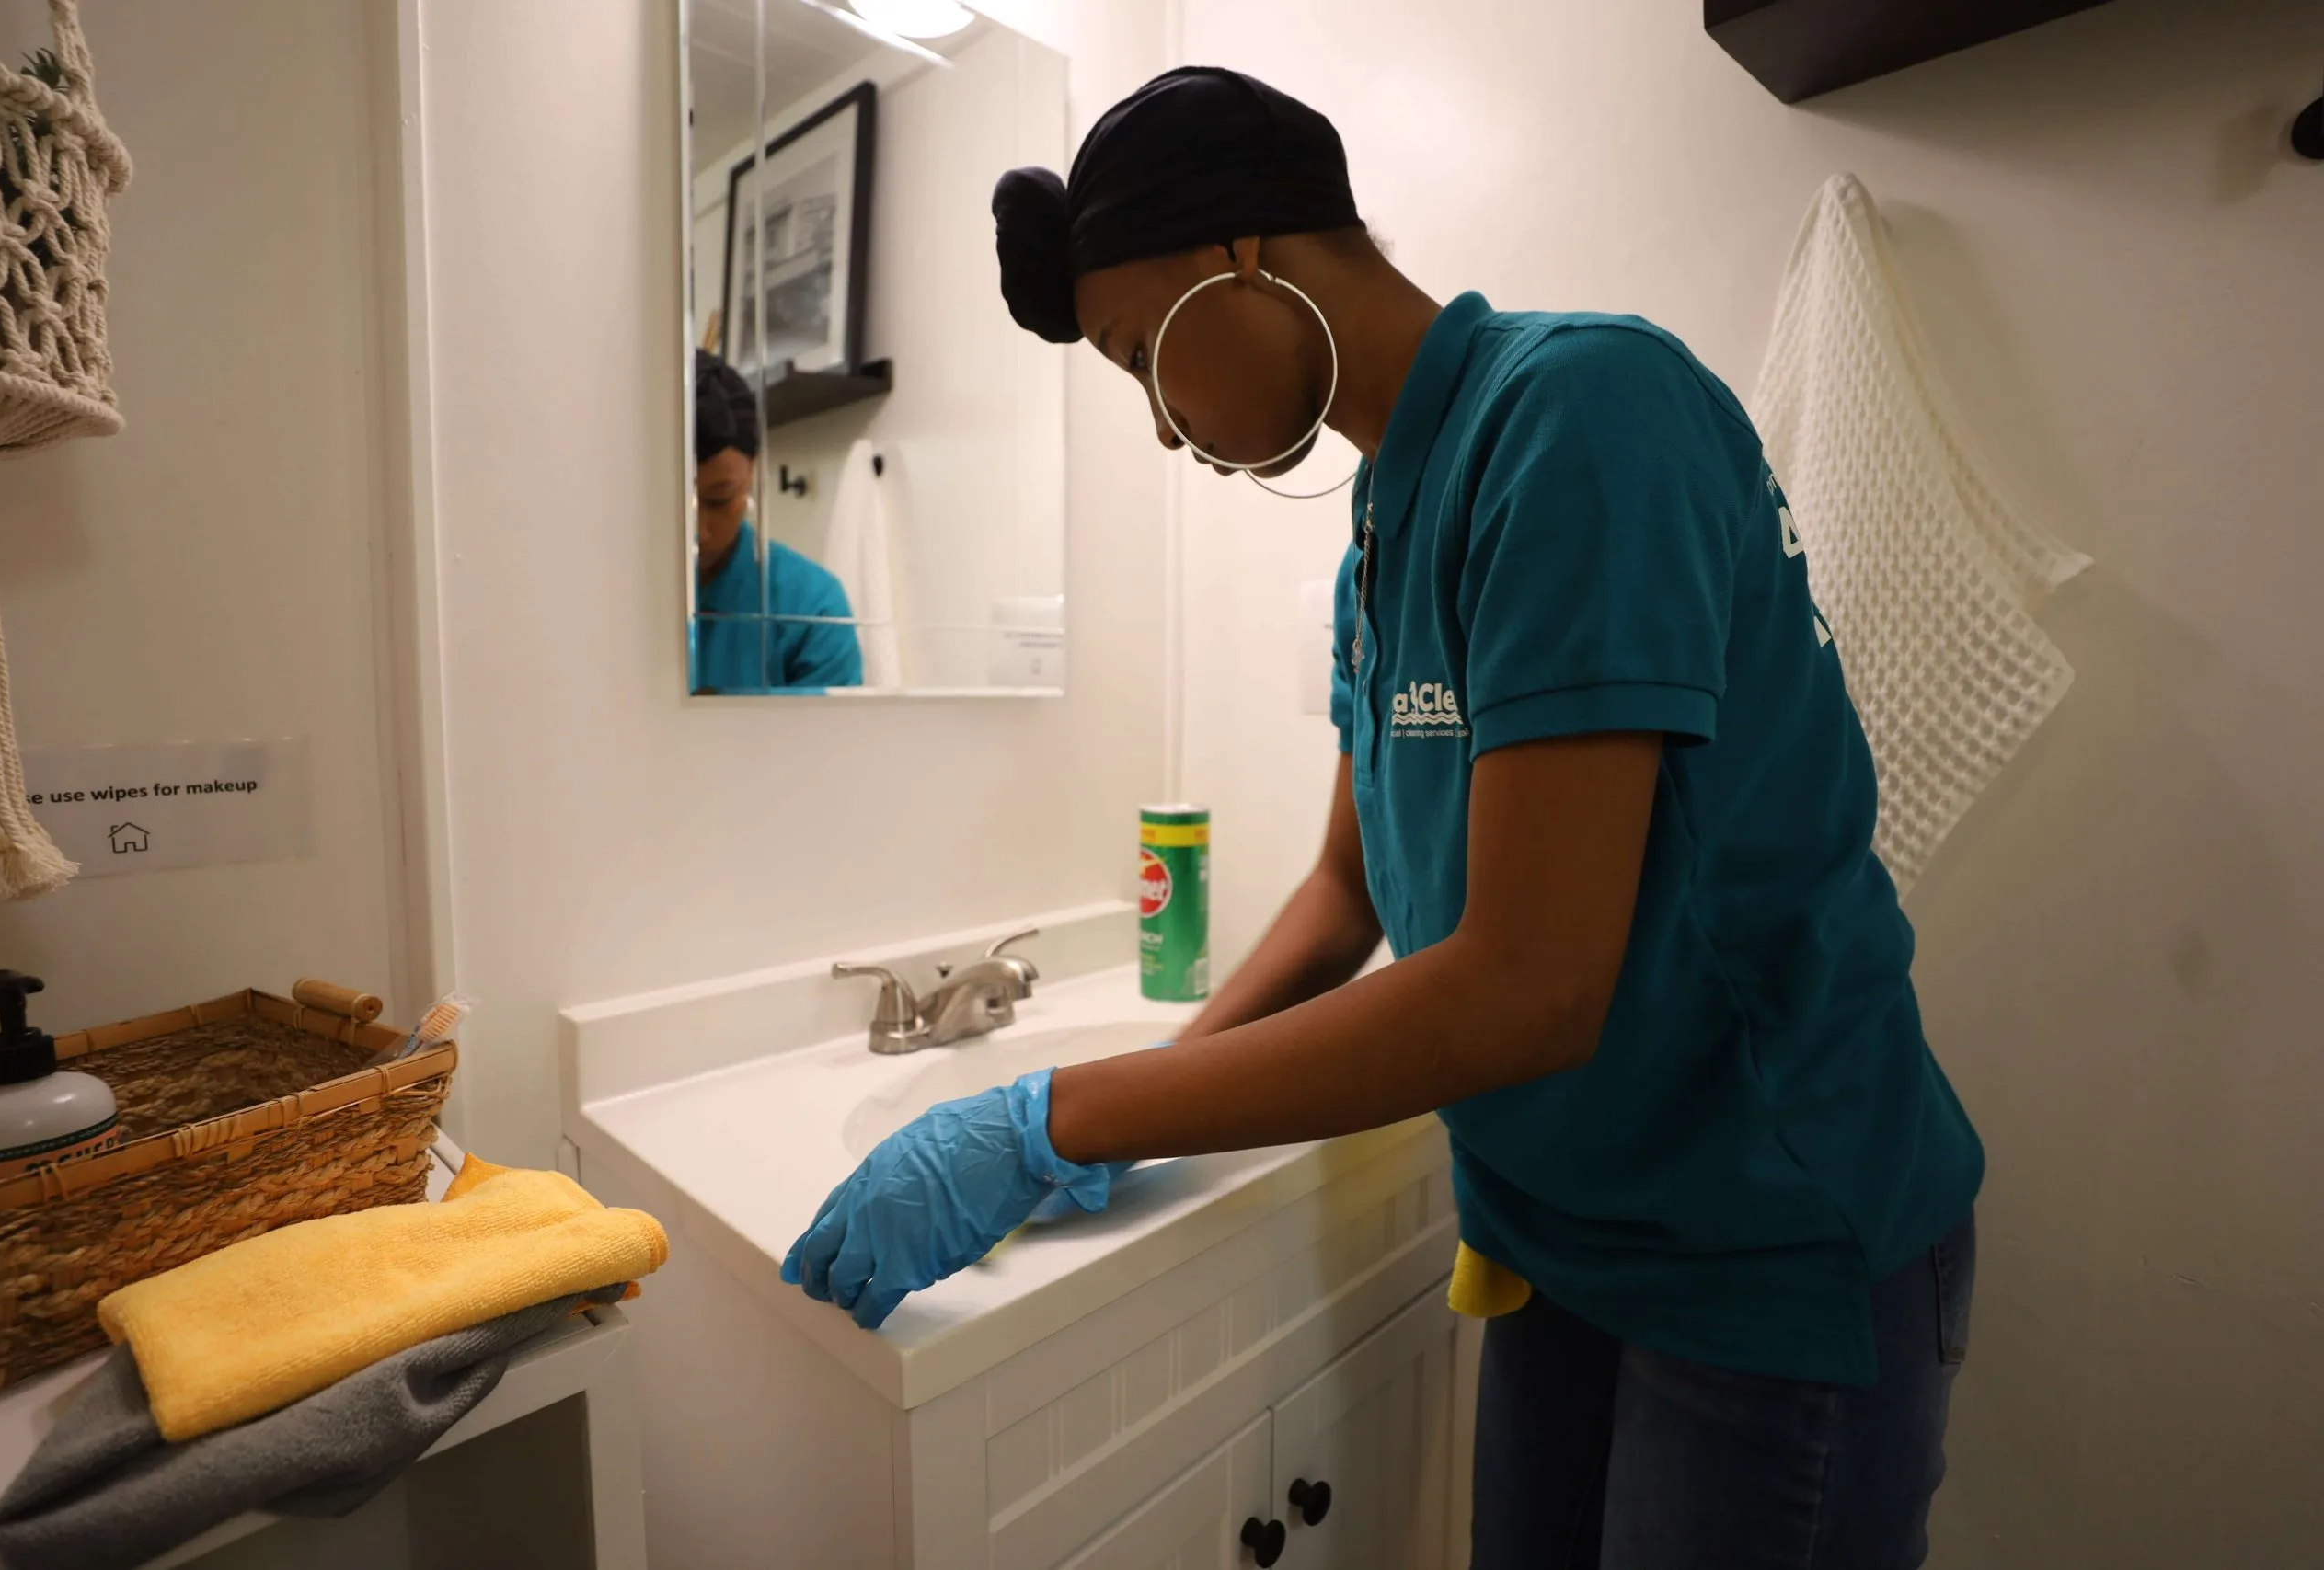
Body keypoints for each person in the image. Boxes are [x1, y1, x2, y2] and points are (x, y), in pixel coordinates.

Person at [783, 66, 1981, 1569]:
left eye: (1145, 355)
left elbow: (1530, 985)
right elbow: (1349, 889)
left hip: (1762, 1235)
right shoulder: (1380, 539)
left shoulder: (1582, 415)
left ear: (1241, 261)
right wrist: (1147, 1096)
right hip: (1571, 1238)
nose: (1162, 429)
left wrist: (1053, 1113)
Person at [690, 350, 862, 693]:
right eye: (676, 504)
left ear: (753, 471)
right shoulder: (601, 597)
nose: (699, 530)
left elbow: (838, 744)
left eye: (719, 500)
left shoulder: (812, 608)